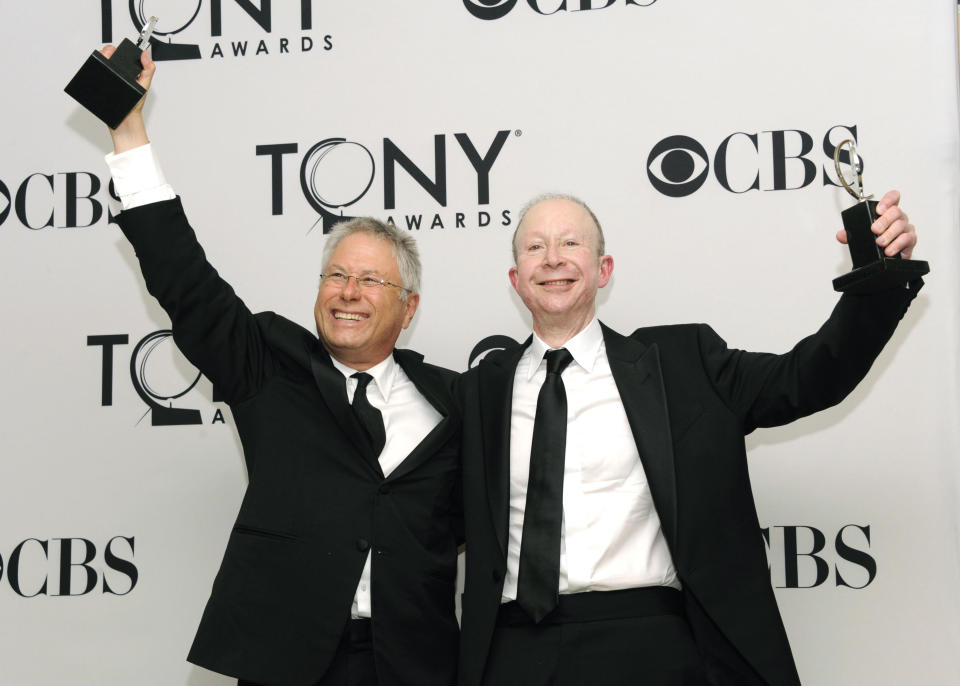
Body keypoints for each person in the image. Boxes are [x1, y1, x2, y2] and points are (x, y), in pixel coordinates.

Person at [96, 46, 461, 686]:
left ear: (409, 309)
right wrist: (128, 129)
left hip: (417, 665)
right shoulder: (268, 364)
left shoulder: (457, 402)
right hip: (288, 665)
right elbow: (184, 279)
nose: (348, 291)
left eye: (371, 280)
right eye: (336, 275)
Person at [456, 192, 920, 685]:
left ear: (603, 268)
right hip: (512, 653)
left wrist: (881, 273)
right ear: (515, 279)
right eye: (535, 247)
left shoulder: (683, 364)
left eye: (570, 242)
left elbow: (807, 378)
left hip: (650, 645)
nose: (552, 258)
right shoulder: (474, 393)